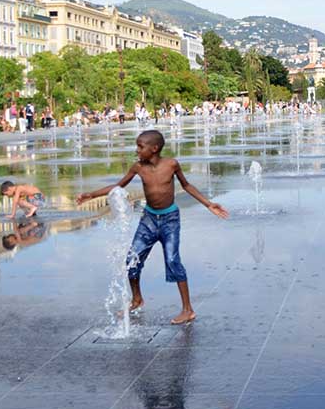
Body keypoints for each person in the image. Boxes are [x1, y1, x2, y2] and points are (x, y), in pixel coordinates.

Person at [76, 130, 228, 325]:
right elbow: (118, 186)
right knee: (132, 260)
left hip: (170, 220)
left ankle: (188, 309)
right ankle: (137, 299)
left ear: (154, 148)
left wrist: (208, 204)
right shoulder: (138, 168)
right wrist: (91, 194)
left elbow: (187, 185)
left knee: (173, 260)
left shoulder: (171, 164)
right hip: (148, 219)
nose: (137, 150)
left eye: (140, 146)